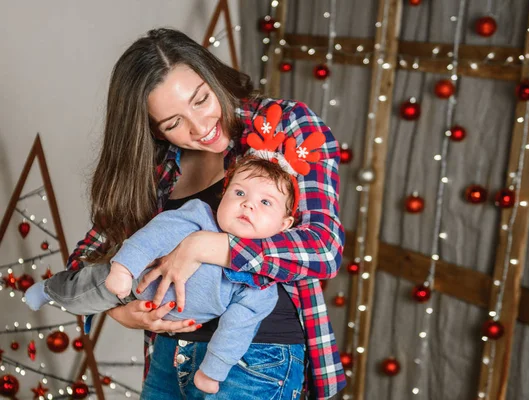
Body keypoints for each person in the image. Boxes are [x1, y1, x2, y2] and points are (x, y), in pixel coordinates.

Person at [62, 28, 346, 399]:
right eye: (173, 123)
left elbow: (323, 249)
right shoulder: (153, 167)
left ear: (212, 77)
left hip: (257, 358)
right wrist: (119, 309)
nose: (200, 128)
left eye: (200, 100)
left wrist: (205, 246)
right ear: (153, 129)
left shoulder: (286, 124)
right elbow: (81, 266)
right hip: (168, 355)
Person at [25, 127, 323, 394]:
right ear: (224, 195)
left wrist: (212, 371)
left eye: (265, 202)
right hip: (131, 279)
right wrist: (123, 268)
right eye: (240, 192)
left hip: (184, 332)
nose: (248, 203)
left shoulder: (260, 283)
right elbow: (152, 236)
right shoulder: (198, 215)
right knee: (81, 292)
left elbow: (237, 329)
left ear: (285, 225)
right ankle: (49, 290)